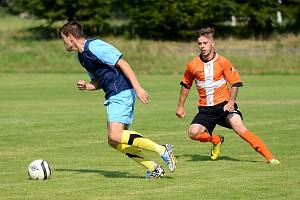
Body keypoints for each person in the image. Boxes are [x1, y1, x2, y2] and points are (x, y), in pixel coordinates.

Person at [59, 21, 176, 179]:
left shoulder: (95, 46)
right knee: (114, 141)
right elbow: (99, 81)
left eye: (63, 38)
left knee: (115, 135)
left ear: (71, 37)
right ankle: (153, 167)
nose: (63, 42)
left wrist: (138, 87)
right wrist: (87, 86)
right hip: (113, 94)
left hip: (122, 91)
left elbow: (123, 63)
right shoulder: (81, 57)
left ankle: (162, 150)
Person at [175, 27, 279, 165]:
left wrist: (231, 102)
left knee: (239, 128)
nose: (202, 46)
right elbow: (186, 85)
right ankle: (216, 140)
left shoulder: (223, 62)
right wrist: (180, 106)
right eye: (200, 43)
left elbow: (235, 83)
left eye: (205, 43)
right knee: (193, 133)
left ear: (213, 43)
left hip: (224, 106)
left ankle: (270, 158)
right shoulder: (192, 65)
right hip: (206, 110)